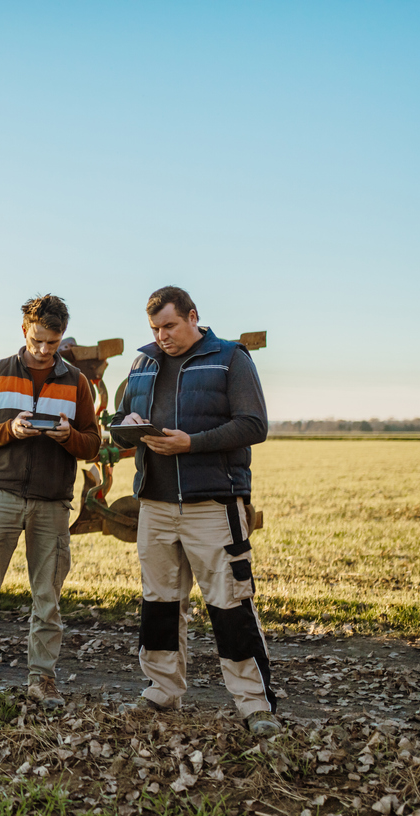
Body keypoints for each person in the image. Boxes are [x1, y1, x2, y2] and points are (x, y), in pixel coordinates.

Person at [112, 286, 280, 737]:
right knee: (160, 602)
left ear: (193, 316)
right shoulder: (142, 362)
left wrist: (192, 443)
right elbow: (124, 415)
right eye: (154, 329)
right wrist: (125, 426)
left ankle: (254, 704)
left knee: (230, 603)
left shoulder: (230, 358)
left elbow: (254, 424)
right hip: (155, 503)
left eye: (169, 325)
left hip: (213, 503)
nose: (162, 336)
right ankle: (162, 691)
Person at [0, 294, 101, 713]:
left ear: (62, 337)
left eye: (53, 343)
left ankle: (42, 680)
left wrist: (68, 436)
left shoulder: (77, 383)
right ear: (24, 331)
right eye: (37, 341)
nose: (44, 350)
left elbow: (93, 443)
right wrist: (9, 430)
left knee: (47, 600)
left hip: (52, 503)